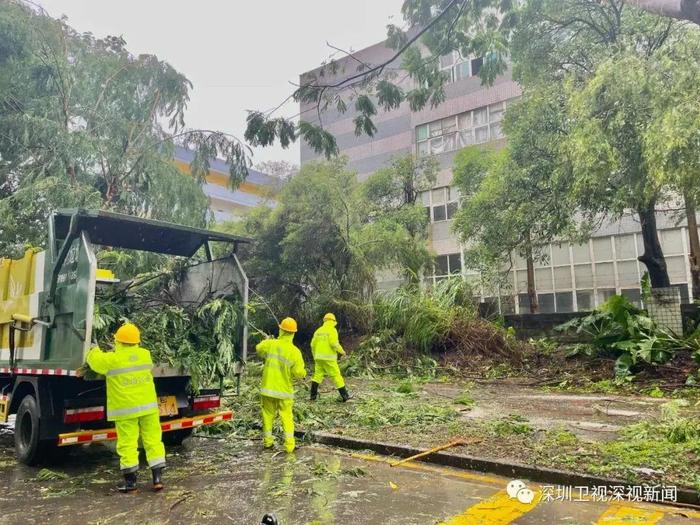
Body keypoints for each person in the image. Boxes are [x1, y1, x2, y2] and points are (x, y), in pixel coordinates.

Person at [85, 323, 165, 493]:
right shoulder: (145, 355)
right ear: (137, 341)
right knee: (153, 441)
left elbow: (94, 361)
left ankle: (131, 483)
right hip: (148, 408)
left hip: (126, 409)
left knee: (128, 444)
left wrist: (93, 348)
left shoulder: (112, 360)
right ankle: (157, 479)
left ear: (118, 341)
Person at [256, 317, 307, 453]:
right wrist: (303, 374)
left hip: (268, 390)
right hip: (284, 392)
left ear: (281, 329)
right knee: (287, 417)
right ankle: (289, 446)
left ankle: (268, 443)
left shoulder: (271, 344)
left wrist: (267, 340)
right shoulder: (295, 352)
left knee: (267, 416)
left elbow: (259, 349)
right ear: (293, 333)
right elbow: (298, 373)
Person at [310, 313, 350, 402]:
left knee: (317, 376)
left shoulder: (318, 331)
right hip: (329, 359)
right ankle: (345, 396)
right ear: (333, 321)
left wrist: (314, 356)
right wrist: (342, 352)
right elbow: (334, 343)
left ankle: (312, 396)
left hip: (318, 358)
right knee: (336, 376)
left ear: (324, 320)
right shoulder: (332, 330)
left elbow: (312, 345)